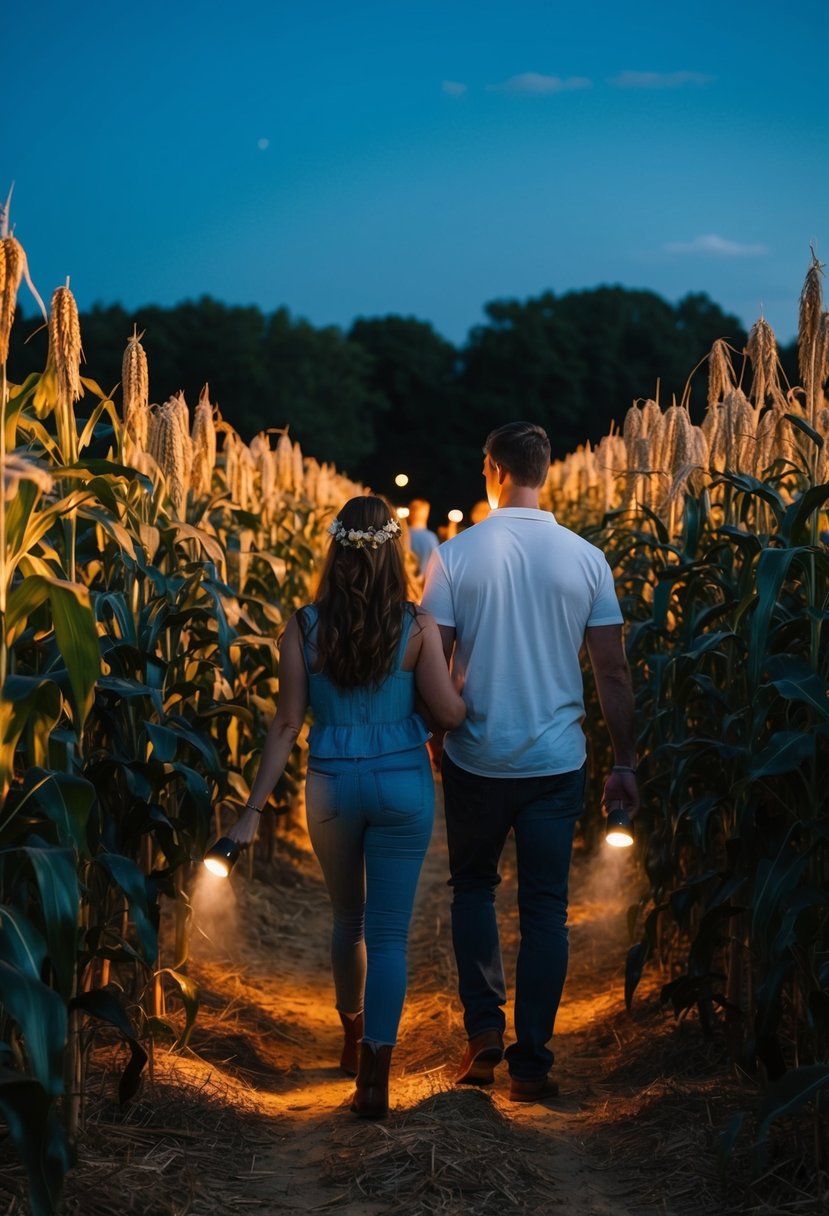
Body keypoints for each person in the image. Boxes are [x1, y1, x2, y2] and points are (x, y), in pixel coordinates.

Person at [228, 495, 466, 1118]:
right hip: (402, 787)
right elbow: (447, 715)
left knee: (348, 922)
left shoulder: (303, 627)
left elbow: (285, 725)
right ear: (394, 551)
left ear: (336, 550)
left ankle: (351, 1041)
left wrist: (252, 810)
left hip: (332, 787)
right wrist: (460, 688)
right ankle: (376, 1080)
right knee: (389, 936)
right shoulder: (418, 628)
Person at [421, 421, 638, 1102]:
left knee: (474, 891)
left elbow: (433, 661)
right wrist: (624, 760)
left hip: (476, 755)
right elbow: (612, 672)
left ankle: (484, 1030)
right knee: (546, 909)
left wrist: (435, 729)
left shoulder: (456, 556)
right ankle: (532, 1060)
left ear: (492, 469)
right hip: (556, 760)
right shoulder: (585, 558)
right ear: (543, 472)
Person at [406, 499, 439, 570]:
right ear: (426, 514)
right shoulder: (431, 537)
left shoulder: (401, 534)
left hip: (403, 578)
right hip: (426, 580)